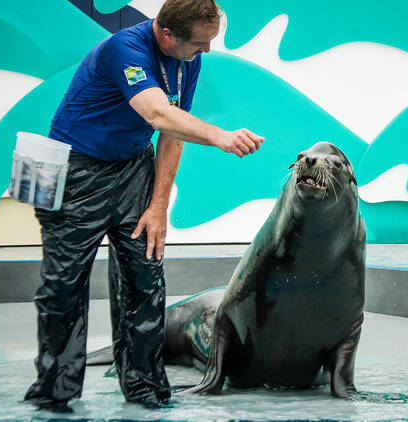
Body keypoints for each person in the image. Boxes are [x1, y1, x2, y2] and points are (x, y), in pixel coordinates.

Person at [23, 0, 264, 412]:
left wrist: (158, 205)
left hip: (133, 167)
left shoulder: (188, 60)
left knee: (145, 276)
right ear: (167, 35)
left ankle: (145, 386)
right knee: (63, 285)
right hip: (75, 167)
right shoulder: (125, 49)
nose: (206, 51)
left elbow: (173, 131)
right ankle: (55, 390)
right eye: (200, 44)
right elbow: (156, 113)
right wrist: (222, 137)